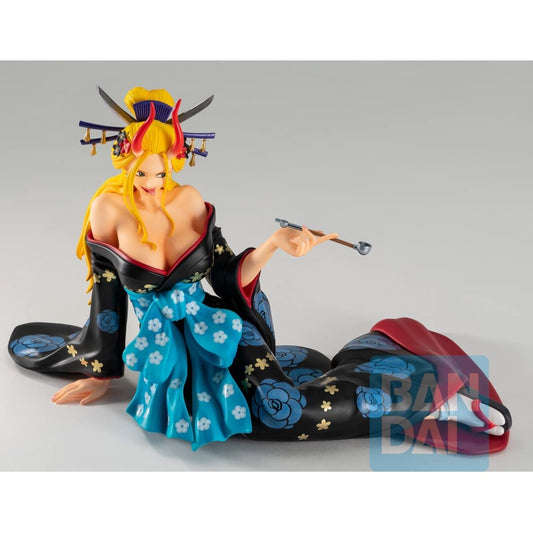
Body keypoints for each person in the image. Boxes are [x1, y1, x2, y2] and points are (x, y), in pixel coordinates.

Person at [8, 87, 512, 453]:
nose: (153, 183)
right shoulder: (107, 212)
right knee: (263, 411)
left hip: (221, 331)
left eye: (162, 171)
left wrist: (273, 245)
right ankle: (375, 355)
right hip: (167, 354)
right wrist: (101, 370)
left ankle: (432, 393)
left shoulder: (188, 201)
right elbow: (108, 299)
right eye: (143, 172)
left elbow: (225, 273)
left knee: (278, 414)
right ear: (124, 159)